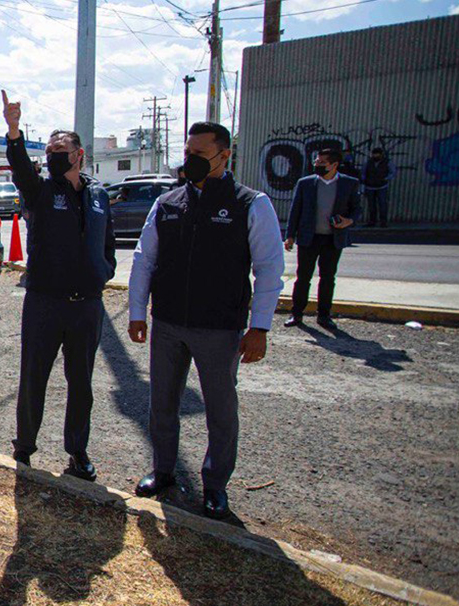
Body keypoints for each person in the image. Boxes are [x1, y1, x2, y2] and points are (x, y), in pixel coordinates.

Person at [128, 121, 284, 520]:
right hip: (168, 324)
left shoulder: (251, 203)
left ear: (224, 155)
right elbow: (145, 259)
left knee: (220, 408)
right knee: (162, 402)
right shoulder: (168, 202)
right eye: (187, 153)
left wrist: (260, 327)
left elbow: (269, 269)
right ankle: (163, 471)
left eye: (199, 155)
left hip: (219, 327)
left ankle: (215, 485)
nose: (190, 161)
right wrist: (136, 311)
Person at [2, 91, 116, 479]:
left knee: (81, 383)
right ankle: (24, 446)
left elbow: (108, 243)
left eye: (60, 149)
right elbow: (21, 171)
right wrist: (14, 131)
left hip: (86, 305)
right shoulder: (41, 191)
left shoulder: (99, 195)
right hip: (44, 303)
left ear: (79, 154)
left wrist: (103, 271)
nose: (53, 155)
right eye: (49, 150)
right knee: (34, 377)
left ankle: (77, 452)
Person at [284, 147, 362, 330]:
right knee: (302, 278)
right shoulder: (306, 183)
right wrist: (290, 235)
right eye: (316, 162)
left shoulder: (349, 184)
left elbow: (356, 209)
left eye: (321, 163)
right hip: (308, 239)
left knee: (327, 278)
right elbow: (296, 210)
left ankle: (324, 315)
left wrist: (348, 221)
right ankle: (296, 314)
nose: (317, 165)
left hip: (332, 240)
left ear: (334, 165)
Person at [361, 147, 396, 228]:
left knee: (382, 204)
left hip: (382, 187)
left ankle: (383, 222)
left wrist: (385, 179)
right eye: (374, 154)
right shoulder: (368, 162)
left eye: (377, 154)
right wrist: (364, 180)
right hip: (370, 187)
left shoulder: (387, 162)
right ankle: (372, 221)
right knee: (371, 205)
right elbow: (363, 172)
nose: (376, 156)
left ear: (381, 154)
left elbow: (393, 172)